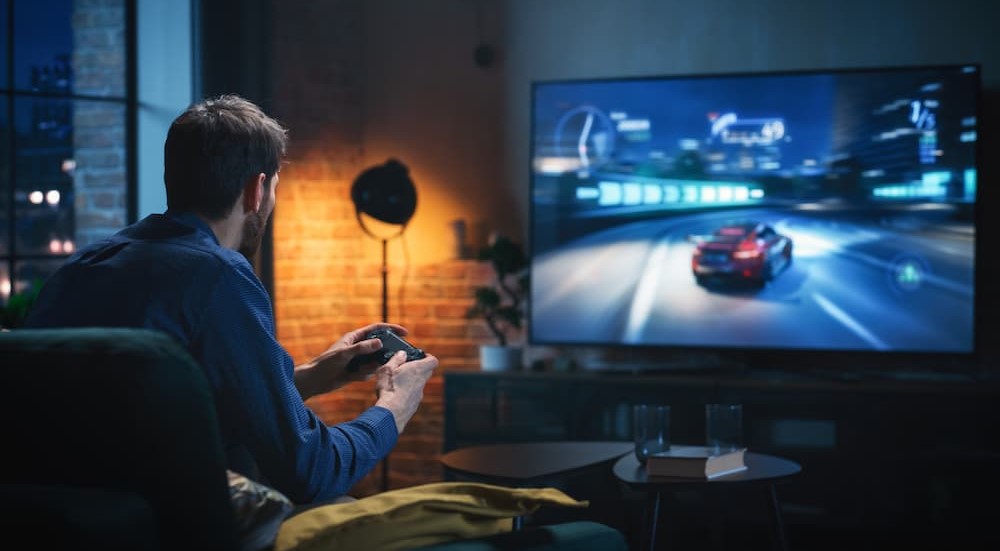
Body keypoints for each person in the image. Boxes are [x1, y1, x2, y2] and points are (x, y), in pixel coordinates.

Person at [24, 94, 439, 505]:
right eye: (275, 187)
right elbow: (313, 471)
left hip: (59, 526)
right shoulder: (218, 275)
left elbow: (146, 411)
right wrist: (395, 406)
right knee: (348, 507)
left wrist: (314, 374)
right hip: (172, 529)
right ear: (256, 189)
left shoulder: (80, 268)